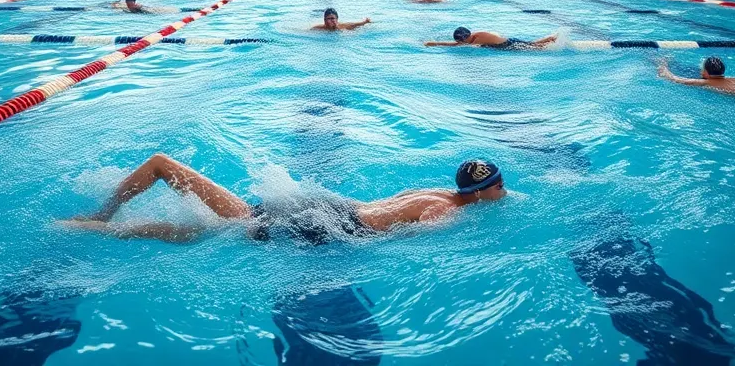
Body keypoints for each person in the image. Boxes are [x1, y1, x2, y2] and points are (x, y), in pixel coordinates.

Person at [58, 154, 507, 244]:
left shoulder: (433, 190)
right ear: (482, 192)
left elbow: (393, 202)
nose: (503, 193)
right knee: (204, 234)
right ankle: (100, 227)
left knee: (165, 167)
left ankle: (102, 215)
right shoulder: (443, 209)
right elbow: (396, 239)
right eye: (500, 187)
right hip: (329, 224)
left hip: (330, 206)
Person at [426, 28, 558, 50]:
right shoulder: (474, 36)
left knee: (536, 48)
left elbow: (455, 45)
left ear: (464, 38)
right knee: (532, 44)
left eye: (460, 41)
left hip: (508, 45)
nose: (460, 43)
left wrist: (436, 43)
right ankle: (550, 38)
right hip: (508, 43)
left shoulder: (478, 39)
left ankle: (552, 40)